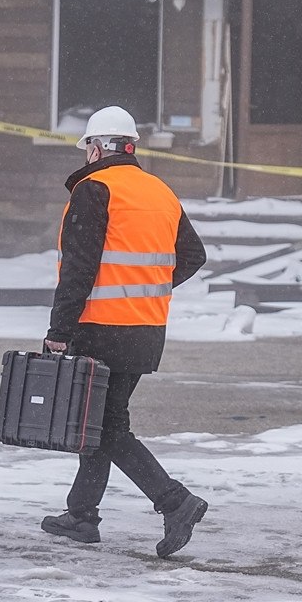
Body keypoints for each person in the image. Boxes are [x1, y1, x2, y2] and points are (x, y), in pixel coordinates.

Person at [40, 105, 209, 558]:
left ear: (96, 148)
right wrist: (146, 293)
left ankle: (175, 502)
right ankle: (81, 514)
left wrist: (59, 330)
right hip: (145, 330)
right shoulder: (160, 191)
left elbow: (78, 267)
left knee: (106, 425)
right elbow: (193, 256)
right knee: (99, 421)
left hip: (99, 329)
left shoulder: (94, 190)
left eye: (88, 147)